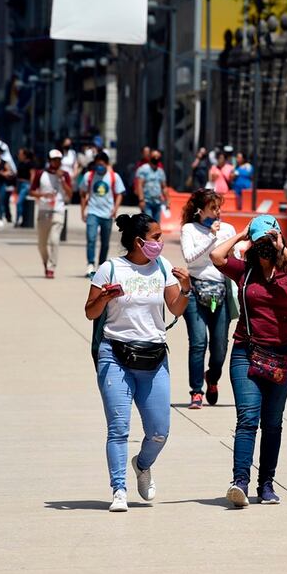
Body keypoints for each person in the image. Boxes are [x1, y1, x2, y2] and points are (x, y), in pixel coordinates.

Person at [84, 213, 191, 512]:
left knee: (160, 431)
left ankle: (142, 464)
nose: (160, 242)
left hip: (153, 357)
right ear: (138, 241)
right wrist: (104, 298)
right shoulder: (110, 268)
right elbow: (90, 312)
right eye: (156, 237)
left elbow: (175, 308)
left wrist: (186, 288)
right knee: (118, 427)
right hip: (115, 354)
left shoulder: (163, 267)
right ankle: (119, 490)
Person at [211, 215, 287, 507]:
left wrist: (282, 249)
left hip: (283, 357)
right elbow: (217, 256)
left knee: (272, 423)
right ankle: (239, 482)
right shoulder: (245, 271)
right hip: (247, 352)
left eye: (270, 241)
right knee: (247, 418)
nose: (265, 247)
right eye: (262, 242)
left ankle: (266, 484)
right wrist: (243, 233)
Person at [181, 189, 237, 409]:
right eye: (213, 207)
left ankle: (212, 377)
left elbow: (234, 257)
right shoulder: (189, 229)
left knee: (220, 346)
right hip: (195, 289)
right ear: (200, 210)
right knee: (197, 343)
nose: (217, 212)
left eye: (219, 207)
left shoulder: (228, 229)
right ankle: (196, 391)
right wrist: (212, 238)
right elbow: (190, 257)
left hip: (220, 291)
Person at [81, 151, 126, 277]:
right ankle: (90, 264)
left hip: (107, 214)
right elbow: (83, 193)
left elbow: (120, 193)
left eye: (101, 164)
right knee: (91, 238)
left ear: (106, 164)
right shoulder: (89, 176)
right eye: (97, 164)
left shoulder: (113, 176)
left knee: (105, 242)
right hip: (92, 212)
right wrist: (83, 210)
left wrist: (115, 209)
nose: (99, 167)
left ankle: (101, 265)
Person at [29, 150, 73, 278]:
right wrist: (43, 195)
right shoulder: (40, 174)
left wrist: (62, 180)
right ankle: (45, 261)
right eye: (54, 159)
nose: (57, 162)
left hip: (58, 210)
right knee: (41, 244)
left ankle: (51, 267)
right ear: (49, 160)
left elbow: (70, 194)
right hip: (44, 210)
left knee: (54, 240)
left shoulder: (65, 174)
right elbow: (32, 191)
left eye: (59, 160)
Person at [136, 149, 170, 222]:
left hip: (157, 202)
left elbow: (164, 187)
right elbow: (140, 185)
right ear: (150, 157)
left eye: (158, 157)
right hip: (147, 201)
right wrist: (141, 200)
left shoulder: (160, 171)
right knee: (148, 224)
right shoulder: (143, 169)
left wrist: (168, 200)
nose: (156, 158)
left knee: (156, 225)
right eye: (154, 156)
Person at [14, 148, 34, 227]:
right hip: (20, 184)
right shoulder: (20, 163)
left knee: (19, 202)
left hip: (26, 184)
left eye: (20, 154)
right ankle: (20, 219)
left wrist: (31, 186)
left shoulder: (30, 164)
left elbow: (32, 174)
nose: (19, 156)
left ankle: (19, 219)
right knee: (21, 203)